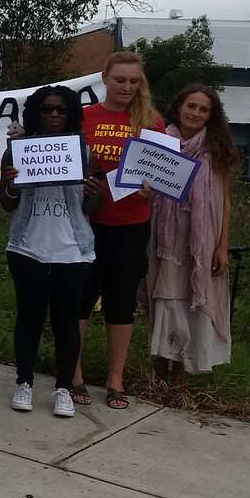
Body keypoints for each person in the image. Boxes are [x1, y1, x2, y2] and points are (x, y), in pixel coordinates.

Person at [0, 86, 102, 418]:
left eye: (61, 110)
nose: (54, 115)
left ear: (72, 113)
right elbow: (6, 203)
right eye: (46, 110)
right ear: (35, 113)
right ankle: (24, 381)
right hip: (28, 247)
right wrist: (12, 185)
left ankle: (63, 388)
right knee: (28, 318)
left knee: (66, 323)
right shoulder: (18, 151)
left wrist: (93, 190)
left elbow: (93, 207)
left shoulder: (85, 153)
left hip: (73, 251)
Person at [75, 51, 164, 410]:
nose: (126, 87)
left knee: (121, 303)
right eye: (119, 80)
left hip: (131, 225)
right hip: (86, 224)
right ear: (105, 78)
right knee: (79, 300)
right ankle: (74, 373)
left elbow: (162, 179)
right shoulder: (84, 117)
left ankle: (115, 378)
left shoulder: (152, 123)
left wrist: (153, 188)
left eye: (133, 81)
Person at [147, 85, 238, 377]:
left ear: (211, 116)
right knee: (167, 299)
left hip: (203, 241)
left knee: (195, 303)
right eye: (191, 106)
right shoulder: (159, 142)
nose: (195, 113)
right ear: (179, 107)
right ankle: (162, 366)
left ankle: (184, 372)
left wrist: (222, 246)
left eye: (203, 109)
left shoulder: (216, 149)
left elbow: (224, 199)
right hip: (166, 240)